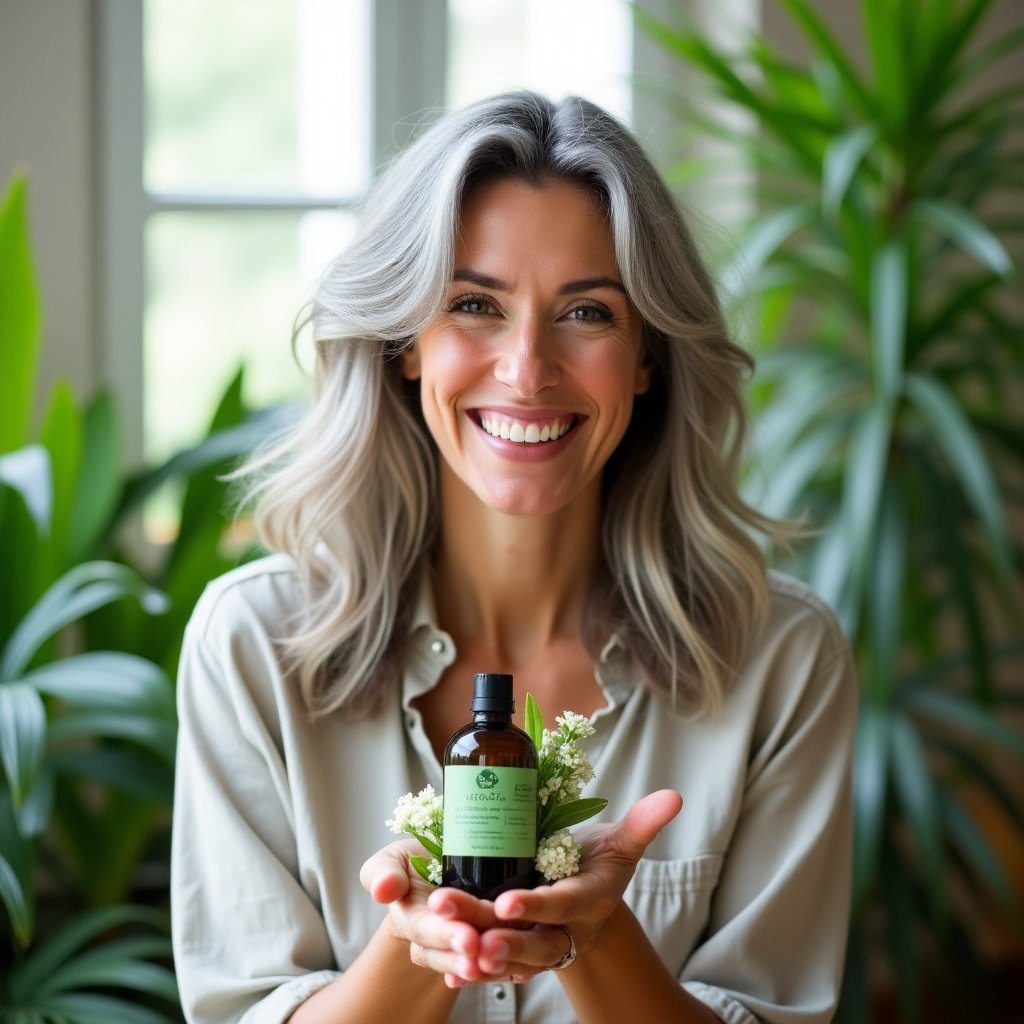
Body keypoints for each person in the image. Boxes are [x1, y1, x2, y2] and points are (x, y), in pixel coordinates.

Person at [170, 91, 857, 1024]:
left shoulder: (782, 658)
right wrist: (421, 944)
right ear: (405, 345)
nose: (528, 368)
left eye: (587, 312)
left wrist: (600, 934)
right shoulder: (252, 645)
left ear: (649, 355)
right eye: (473, 305)